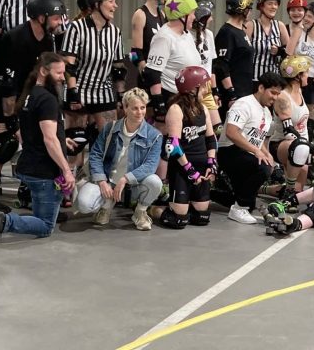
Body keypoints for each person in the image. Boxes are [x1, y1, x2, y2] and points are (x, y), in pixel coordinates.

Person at [0, 0, 67, 214]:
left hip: (21, 93)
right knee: (5, 141)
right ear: (41, 18)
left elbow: (36, 76)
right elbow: (6, 85)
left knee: (32, 139)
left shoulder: (46, 39)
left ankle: (28, 190)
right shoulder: (16, 39)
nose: (59, 23)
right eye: (56, 18)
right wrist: (10, 121)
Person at [0, 52, 76, 243]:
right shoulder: (48, 99)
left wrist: (61, 138)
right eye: (58, 73)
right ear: (43, 71)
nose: (62, 78)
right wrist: (66, 171)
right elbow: (49, 139)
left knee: (40, 218)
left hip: (29, 167)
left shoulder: (30, 95)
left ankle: (7, 220)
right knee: (46, 226)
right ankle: (4, 221)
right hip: (44, 172)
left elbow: (32, 130)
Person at [87, 88, 164, 230]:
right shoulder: (110, 128)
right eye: (135, 108)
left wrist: (125, 179)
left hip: (133, 185)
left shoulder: (155, 135)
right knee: (84, 203)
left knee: (155, 182)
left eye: (143, 107)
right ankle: (106, 207)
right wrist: (102, 181)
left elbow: (150, 165)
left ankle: (140, 212)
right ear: (125, 108)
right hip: (109, 181)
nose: (140, 112)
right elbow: (95, 154)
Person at [215, 72, 285, 224]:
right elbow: (232, 132)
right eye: (273, 92)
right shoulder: (244, 104)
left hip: (246, 154)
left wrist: (266, 153)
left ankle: (211, 193)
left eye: (278, 94)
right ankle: (239, 208)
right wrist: (256, 151)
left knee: (249, 202)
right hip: (230, 151)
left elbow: (259, 140)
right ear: (261, 88)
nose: (275, 97)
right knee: (263, 167)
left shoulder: (267, 113)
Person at [153, 66, 217, 229]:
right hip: (182, 167)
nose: (207, 90)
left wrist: (211, 163)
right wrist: (190, 170)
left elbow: (211, 139)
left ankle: (186, 203)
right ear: (193, 89)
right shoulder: (176, 109)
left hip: (201, 166)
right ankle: (151, 209)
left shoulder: (203, 108)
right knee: (178, 220)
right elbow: (173, 146)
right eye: (204, 86)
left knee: (202, 217)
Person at [61, 0, 126, 132]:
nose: (115, 6)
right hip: (79, 89)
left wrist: (121, 94)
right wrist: (72, 92)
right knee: (77, 140)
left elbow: (118, 68)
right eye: (110, 1)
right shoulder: (76, 28)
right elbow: (69, 65)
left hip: (104, 92)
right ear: (96, 4)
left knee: (110, 139)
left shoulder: (115, 32)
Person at [145, 0, 202, 125]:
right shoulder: (164, 37)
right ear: (182, 16)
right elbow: (152, 72)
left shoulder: (186, 34)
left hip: (187, 98)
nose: (194, 17)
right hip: (171, 98)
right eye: (192, 13)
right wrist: (159, 103)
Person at [285, 1, 314, 148]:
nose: (305, 18)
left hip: (312, 81)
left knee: (310, 114)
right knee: (291, 111)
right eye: (306, 15)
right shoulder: (298, 32)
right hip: (294, 78)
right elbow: (288, 53)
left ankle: (308, 145)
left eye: (309, 16)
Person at [267, 55, 314, 194]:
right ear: (297, 76)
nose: (308, 75)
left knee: (298, 190)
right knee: (292, 190)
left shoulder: (299, 91)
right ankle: (288, 191)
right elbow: (288, 131)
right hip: (281, 144)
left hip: (300, 145)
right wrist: (308, 146)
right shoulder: (283, 97)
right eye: (306, 72)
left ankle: (262, 190)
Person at [213, 0, 255, 121]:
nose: (250, 12)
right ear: (243, 10)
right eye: (249, 8)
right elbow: (221, 65)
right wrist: (231, 93)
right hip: (234, 93)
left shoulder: (241, 30)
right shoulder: (227, 32)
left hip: (244, 90)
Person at [130, 0, 172, 91]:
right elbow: (134, 53)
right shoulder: (140, 14)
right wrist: (143, 70)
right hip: (148, 78)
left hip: (162, 76)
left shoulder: (162, 14)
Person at [245, 0, 290, 87]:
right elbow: (243, 52)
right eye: (270, 4)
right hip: (255, 79)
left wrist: (279, 51)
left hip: (274, 79)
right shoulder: (251, 25)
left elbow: (289, 52)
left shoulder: (280, 25)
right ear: (261, 6)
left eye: (276, 4)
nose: (273, 7)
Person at [192, 0, 223, 136]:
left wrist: (215, 91)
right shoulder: (187, 34)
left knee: (218, 129)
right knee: (196, 128)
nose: (211, 19)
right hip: (192, 86)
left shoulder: (208, 34)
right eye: (209, 16)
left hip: (206, 86)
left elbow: (212, 65)